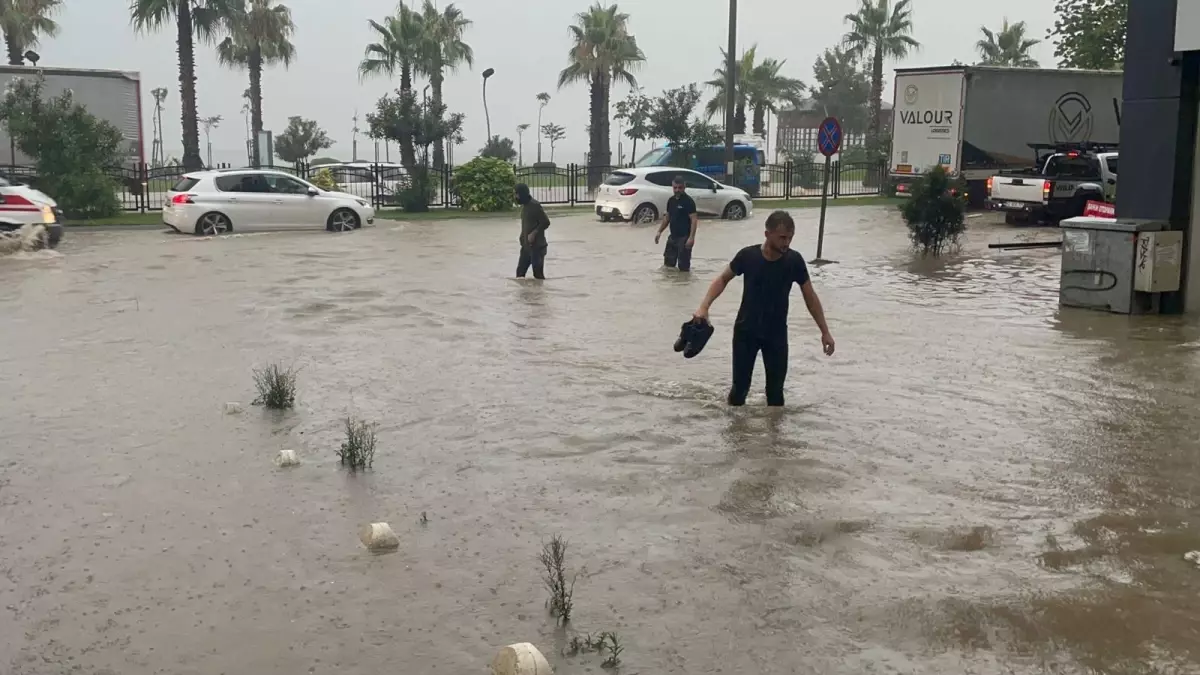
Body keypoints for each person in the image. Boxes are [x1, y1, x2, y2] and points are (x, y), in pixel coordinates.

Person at [692, 210, 835, 407]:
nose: (787, 243)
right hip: (745, 332)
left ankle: (775, 437)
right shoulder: (747, 256)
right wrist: (704, 307)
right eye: (782, 237)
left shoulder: (794, 261)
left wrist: (825, 331)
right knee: (739, 392)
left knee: (776, 395)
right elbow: (723, 279)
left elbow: (810, 297)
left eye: (790, 238)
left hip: (776, 335)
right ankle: (736, 435)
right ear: (767, 234)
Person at [654, 175, 698, 272]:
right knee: (668, 267)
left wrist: (691, 238)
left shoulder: (689, 201)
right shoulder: (671, 201)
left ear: (684, 187)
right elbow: (667, 218)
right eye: (675, 188)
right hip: (672, 237)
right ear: (672, 187)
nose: (677, 190)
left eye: (680, 188)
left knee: (684, 268)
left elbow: (694, 220)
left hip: (684, 238)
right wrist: (659, 232)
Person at [514, 183, 549, 279]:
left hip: (537, 248)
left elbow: (546, 222)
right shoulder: (525, 207)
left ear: (523, 194)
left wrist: (534, 233)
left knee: (538, 277)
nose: (515, 197)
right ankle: (525, 294)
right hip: (526, 248)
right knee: (520, 275)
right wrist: (522, 237)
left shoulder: (535, 206)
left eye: (517, 194)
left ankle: (540, 294)